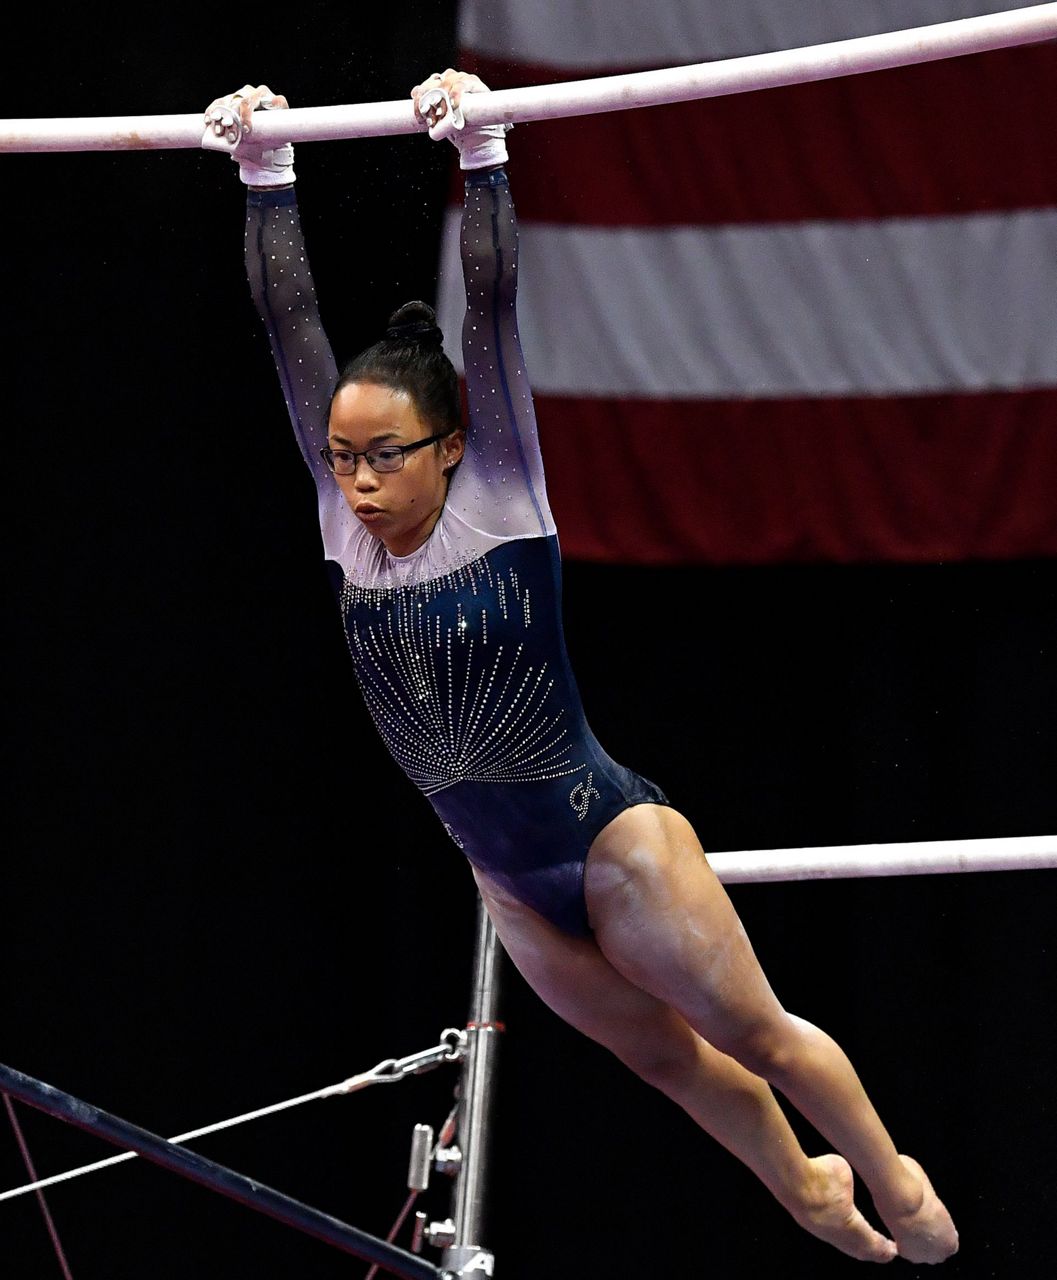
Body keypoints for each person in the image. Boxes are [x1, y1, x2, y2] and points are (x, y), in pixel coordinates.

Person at [204, 70, 959, 1265]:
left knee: (754, 1031)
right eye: (339, 457)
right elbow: (292, 334)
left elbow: (493, 309)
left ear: (450, 445)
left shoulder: (498, 496)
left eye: (382, 455)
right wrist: (264, 171)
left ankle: (891, 1170)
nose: (352, 479)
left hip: (609, 844)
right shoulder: (345, 528)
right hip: (512, 885)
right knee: (667, 1061)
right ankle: (804, 1188)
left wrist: (489, 152)